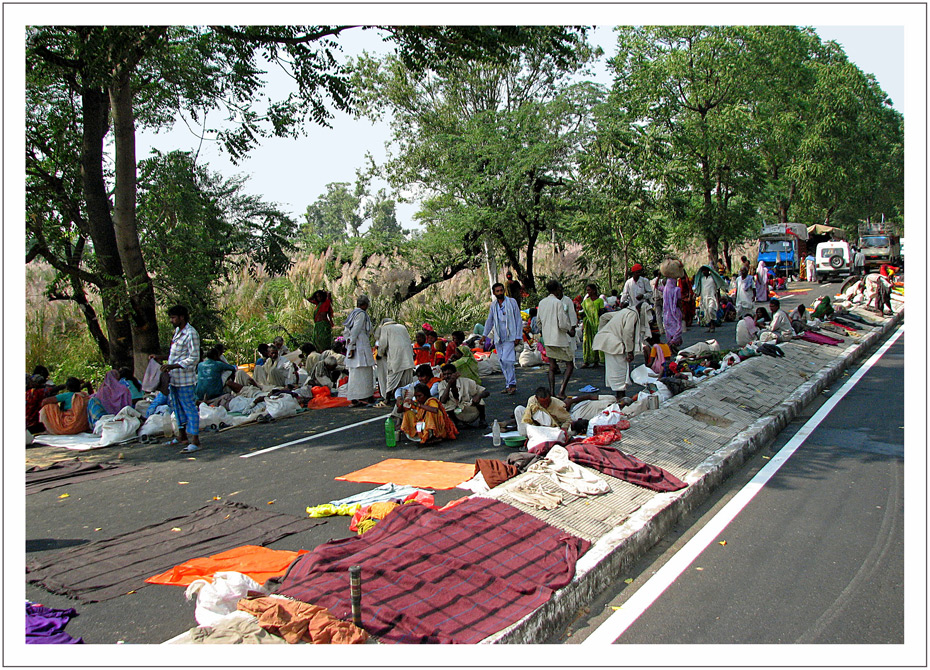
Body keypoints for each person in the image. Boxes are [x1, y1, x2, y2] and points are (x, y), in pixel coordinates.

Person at [149, 305, 202, 453]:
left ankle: (195, 440)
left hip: (185, 379)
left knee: (189, 408)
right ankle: (182, 436)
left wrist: (174, 366)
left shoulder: (191, 333)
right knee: (177, 408)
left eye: (173, 318)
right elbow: (175, 355)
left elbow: (194, 358)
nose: (171, 321)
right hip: (174, 379)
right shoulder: (178, 332)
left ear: (182, 317)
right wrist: (160, 358)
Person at [592, 296, 638, 399]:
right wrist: (630, 351)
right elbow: (628, 332)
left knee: (616, 370)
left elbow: (603, 317)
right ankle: (620, 398)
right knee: (619, 371)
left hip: (608, 341)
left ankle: (619, 397)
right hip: (614, 343)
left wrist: (602, 332)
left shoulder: (623, 312)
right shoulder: (633, 314)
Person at [538, 280, 577, 399]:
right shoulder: (558, 302)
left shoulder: (542, 302)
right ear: (556, 289)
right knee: (569, 364)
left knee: (552, 366)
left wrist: (545, 331)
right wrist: (569, 330)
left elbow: (538, 322)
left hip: (548, 339)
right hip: (560, 339)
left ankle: (552, 392)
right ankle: (561, 391)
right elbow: (562, 323)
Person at [483, 281, 523, 395]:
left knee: (508, 360)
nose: (500, 292)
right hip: (499, 337)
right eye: (497, 291)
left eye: (501, 290)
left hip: (510, 336)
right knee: (502, 361)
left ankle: (512, 384)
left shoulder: (512, 302)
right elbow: (490, 320)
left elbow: (518, 319)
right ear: (494, 293)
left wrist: (518, 336)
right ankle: (508, 384)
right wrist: (484, 335)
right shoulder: (494, 305)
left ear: (504, 291)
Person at [373, 316, 415, 406]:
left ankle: (387, 399)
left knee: (391, 379)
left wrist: (379, 354)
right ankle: (407, 399)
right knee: (406, 381)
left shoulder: (385, 328)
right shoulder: (402, 327)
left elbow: (383, 344)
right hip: (408, 357)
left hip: (396, 358)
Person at [343, 294, 375, 407]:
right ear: (364, 305)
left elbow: (347, 331)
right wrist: (352, 342)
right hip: (360, 344)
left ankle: (357, 397)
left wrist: (349, 343)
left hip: (354, 344)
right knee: (364, 372)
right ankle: (366, 396)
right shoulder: (361, 314)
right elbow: (355, 330)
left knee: (356, 374)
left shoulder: (353, 313)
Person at [436, 363, 489, 428]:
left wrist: (479, 396)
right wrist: (449, 385)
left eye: (449, 374)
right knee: (445, 404)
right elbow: (443, 400)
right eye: (445, 374)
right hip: (455, 412)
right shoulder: (441, 384)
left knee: (480, 400)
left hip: (468, 409)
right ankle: (457, 423)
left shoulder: (466, 381)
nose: (447, 376)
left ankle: (482, 420)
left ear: (455, 374)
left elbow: (486, 391)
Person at [621, 263, 654, 353]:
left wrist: (643, 296)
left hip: (643, 307)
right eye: (636, 273)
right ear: (633, 273)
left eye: (639, 272)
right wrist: (622, 302)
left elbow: (650, 293)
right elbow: (625, 294)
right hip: (633, 308)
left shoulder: (645, 281)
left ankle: (644, 343)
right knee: (633, 327)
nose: (638, 274)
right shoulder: (629, 282)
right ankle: (635, 345)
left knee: (644, 326)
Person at [580, 283, 605, 369]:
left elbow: (602, 312)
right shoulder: (586, 301)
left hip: (597, 324)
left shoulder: (600, 301)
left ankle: (596, 361)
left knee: (597, 341)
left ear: (594, 290)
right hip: (588, 324)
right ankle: (587, 361)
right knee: (587, 342)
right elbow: (583, 314)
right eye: (587, 290)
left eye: (589, 290)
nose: (588, 292)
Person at [694, 265, 722, 333]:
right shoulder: (702, 279)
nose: (704, 272)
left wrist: (719, 299)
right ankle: (710, 326)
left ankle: (713, 324)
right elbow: (699, 288)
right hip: (704, 298)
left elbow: (717, 288)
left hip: (712, 297)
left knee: (711, 310)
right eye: (703, 271)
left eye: (705, 270)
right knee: (706, 313)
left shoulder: (712, 278)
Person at [662, 276, 683, 348]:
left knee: (669, 329)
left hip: (667, 313)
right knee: (678, 328)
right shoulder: (677, 290)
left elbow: (656, 287)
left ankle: (671, 343)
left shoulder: (665, 290)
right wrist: (682, 311)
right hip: (676, 311)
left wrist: (659, 277)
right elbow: (679, 301)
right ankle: (672, 343)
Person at [651, 271, 665, 336]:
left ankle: (661, 329)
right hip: (662, 298)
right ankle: (665, 327)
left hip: (655, 299)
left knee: (658, 315)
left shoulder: (651, 282)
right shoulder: (661, 281)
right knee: (664, 313)